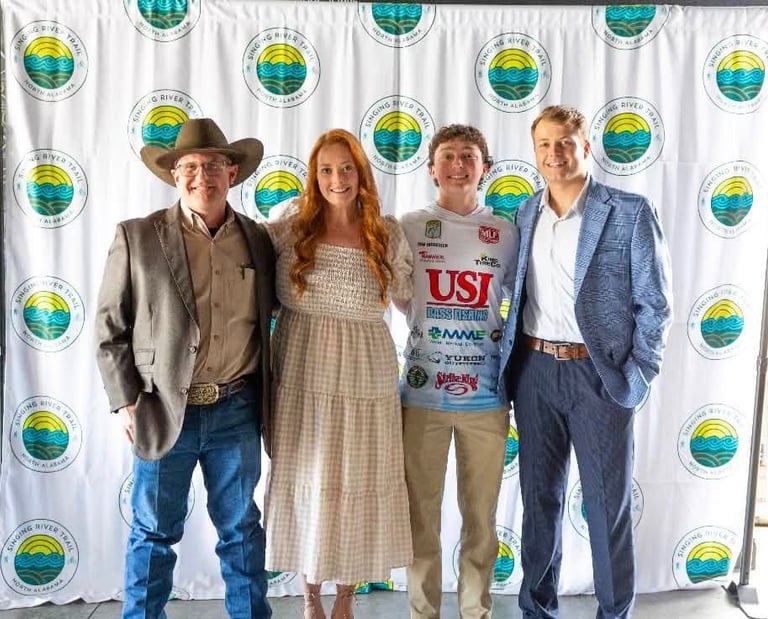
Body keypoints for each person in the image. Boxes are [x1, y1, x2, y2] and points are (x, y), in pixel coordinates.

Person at [95, 118, 275, 619]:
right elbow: (110, 328)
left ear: (232, 173)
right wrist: (125, 399)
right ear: (174, 174)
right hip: (160, 408)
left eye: (214, 165)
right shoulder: (137, 237)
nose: (202, 176)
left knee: (241, 533)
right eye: (190, 166)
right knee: (153, 535)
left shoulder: (258, 240)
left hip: (237, 408)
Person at [499, 105, 673, 619]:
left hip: (599, 376)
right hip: (533, 371)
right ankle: (537, 609)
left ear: (586, 147)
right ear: (534, 152)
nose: (555, 153)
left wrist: (636, 376)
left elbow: (655, 304)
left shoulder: (629, 211)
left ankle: (614, 612)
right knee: (539, 502)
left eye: (565, 142)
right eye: (545, 144)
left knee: (605, 508)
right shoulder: (526, 213)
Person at [262, 128, 413, 619]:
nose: (337, 178)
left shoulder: (386, 232)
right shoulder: (289, 224)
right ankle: (309, 598)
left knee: (359, 478)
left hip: (366, 371)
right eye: (326, 169)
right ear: (314, 175)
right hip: (302, 366)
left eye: (346, 168)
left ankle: (345, 599)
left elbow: (413, 302)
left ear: (361, 174)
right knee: (309, 476)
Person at [398, 124, 519, 619]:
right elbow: (397, 293)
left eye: (468, 156)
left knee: (481, 520)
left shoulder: (507, 233)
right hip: (422, 395)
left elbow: (525, 301)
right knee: (419, 519)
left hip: (487, 398)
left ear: (484, 168)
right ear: (431, 169)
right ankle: (422, 612)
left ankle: (476, 611)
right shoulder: (406, 226)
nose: (457, 165)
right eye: (447, 156)